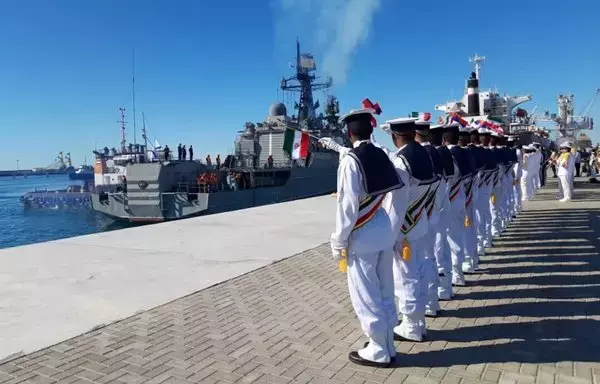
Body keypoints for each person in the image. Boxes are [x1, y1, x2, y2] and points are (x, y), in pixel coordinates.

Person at [318, 108, 406, 367]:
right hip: (383, 228)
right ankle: (388, 342)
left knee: (365, 295)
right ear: (370, 130)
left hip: (362, 236)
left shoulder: (351, 160)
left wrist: (338, 242)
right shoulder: (381, 153)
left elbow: (347, 206)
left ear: (349, 132)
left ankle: (377, 348)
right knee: (386, 291)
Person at [374, 117, 437, 343]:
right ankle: (419, 322)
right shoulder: (425, 155)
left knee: (405, 277)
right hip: (420, 223)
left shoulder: (402, 162)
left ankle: (411, 325)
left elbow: (395, 204)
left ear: (394, 136)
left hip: (404, 230)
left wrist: (388, 237)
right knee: (419, 272)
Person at [413, 120, 443, 318]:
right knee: (430, 257)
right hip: (432, 212)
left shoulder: (414, 156)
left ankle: (416, 317)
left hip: (415, 217)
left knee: (417, 267)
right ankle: (432, 302)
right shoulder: (437, 154)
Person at [444, 122, 473, 287]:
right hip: (462, 197)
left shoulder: (448, 155)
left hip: (449, 201)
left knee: (449, 240)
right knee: (459, 236)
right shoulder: (467, 153)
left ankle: (456, 275)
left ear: (445, 138)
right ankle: (460, 271)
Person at [430, 123, 455, 300]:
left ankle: (438, 293)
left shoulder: (431, 156)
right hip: (445, 203)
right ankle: (445, 287)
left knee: (435, 251)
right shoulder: (447, 155)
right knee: (443, 247)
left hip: (432, 208)